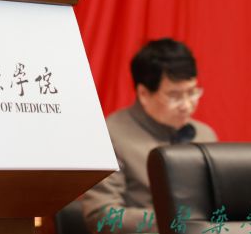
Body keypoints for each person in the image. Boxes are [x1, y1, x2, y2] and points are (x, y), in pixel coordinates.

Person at [82, 38, 217, 232]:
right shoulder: (110, 135)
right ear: (143, 94)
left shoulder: (205, 135)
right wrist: (177, 223)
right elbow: (101, 215)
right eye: (175, 96)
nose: (187, 105)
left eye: (192, 92)